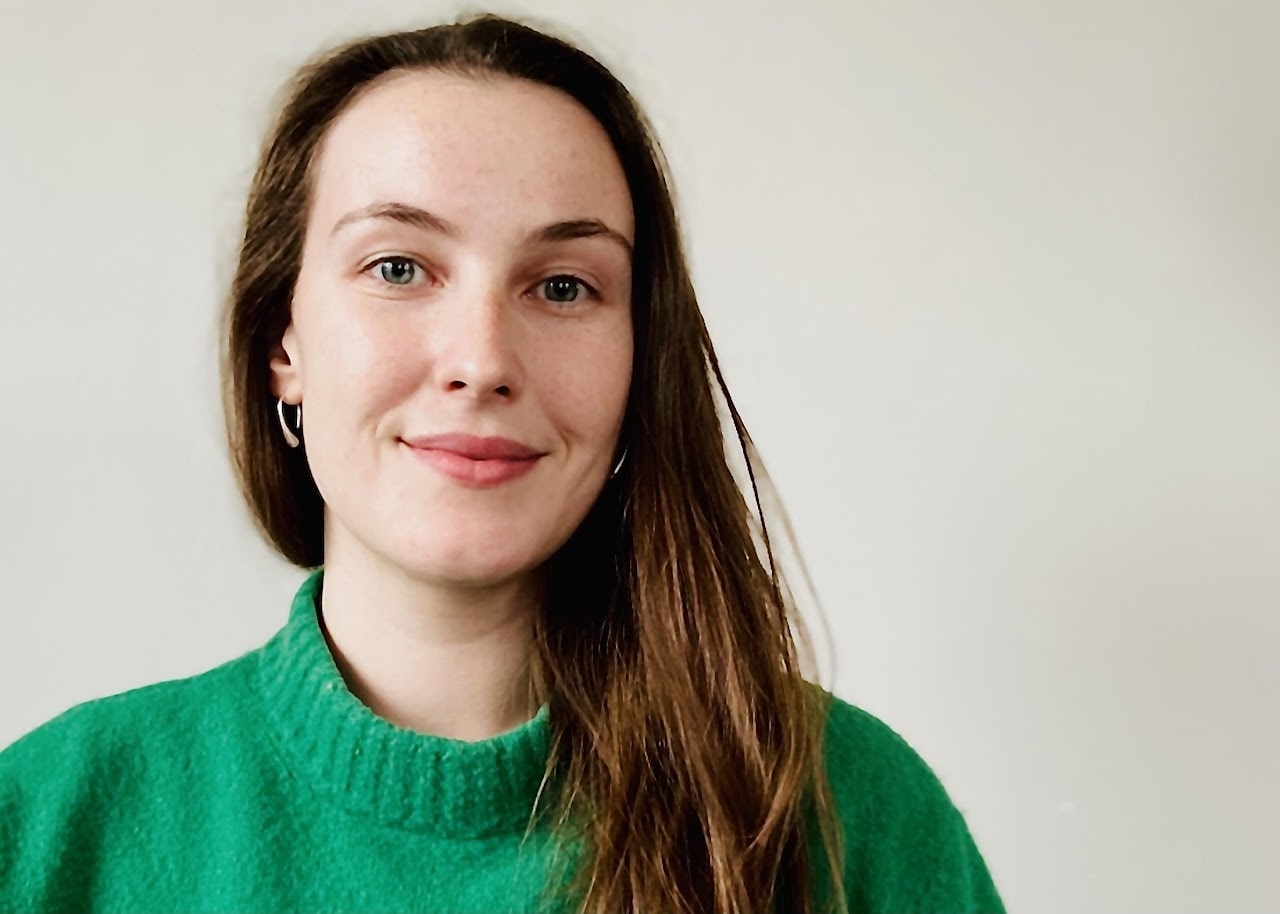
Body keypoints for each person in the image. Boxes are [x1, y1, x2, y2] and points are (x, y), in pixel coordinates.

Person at [0, 13, 1004, 914]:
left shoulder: (852, 815)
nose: (482, 360)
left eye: (562, 286)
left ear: (638, 358)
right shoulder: (51, 824)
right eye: (398, 267)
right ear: (282, 342)